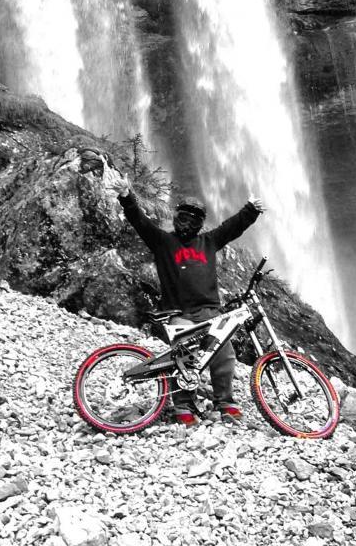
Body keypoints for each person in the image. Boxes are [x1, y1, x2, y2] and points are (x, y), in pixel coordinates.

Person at [104, 164, 264, 426]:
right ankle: (184, 407)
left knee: (223, 356)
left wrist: (251, 210)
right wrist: (126, 196)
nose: (188, 219)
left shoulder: (209, 241)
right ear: (176, 215)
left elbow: (232, 227)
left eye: (195, 216)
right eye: (184, 214)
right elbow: (140, 221)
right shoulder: (162, 241)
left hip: (210, 311)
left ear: (201, 222)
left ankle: (226, 404)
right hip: (178, 312)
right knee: (184, 357)